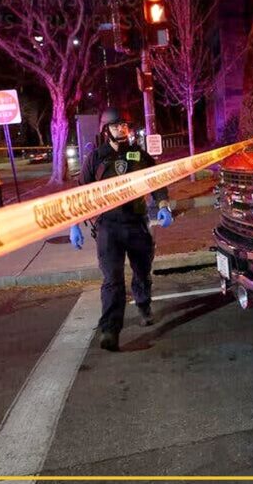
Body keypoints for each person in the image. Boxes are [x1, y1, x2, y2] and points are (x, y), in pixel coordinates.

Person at [69, 107, 174, 352]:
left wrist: (164, 205)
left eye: (125, 125)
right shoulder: (96, 158)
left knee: (141, 272)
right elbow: (80, 192)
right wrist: (74, 223)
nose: (122, 129)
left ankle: (143, 304)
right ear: (106, 130)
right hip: (109, 228)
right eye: (116, 126)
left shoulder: (138, 154)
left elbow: (157, 180)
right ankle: (110, 330)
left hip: (136, 224)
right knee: (112, 280)